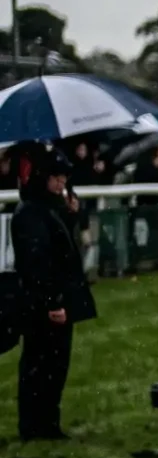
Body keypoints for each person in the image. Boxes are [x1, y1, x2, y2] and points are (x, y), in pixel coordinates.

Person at [10, 146, 96, 441]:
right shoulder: (32, 213)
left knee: (53, 364)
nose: (61, 184)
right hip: (44, 304)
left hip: (50, 301)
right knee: (41, 364)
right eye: (56, 178)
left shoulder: (45, 210)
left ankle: (45, 423)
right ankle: (36, 425)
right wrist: (51, 302)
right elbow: (39, 263)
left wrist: (70, 217)